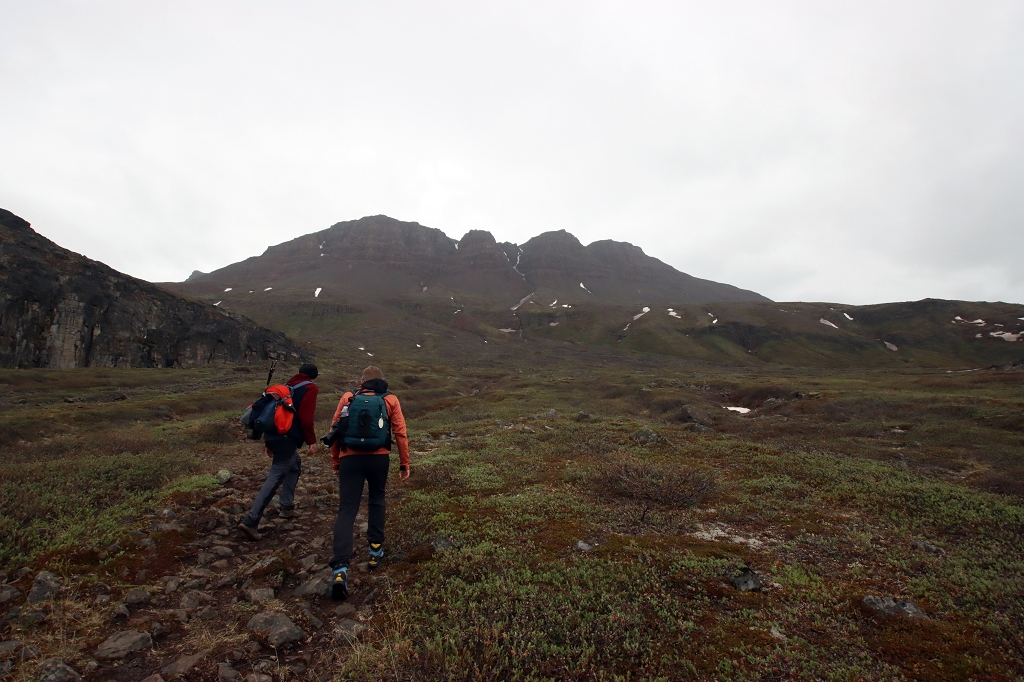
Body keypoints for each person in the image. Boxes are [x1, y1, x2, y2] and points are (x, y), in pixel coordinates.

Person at [328, 365, 410, 599]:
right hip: (379, 459)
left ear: (362, 380)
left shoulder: (348, 397)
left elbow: (335, 429)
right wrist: (404, 464)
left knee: (346, 509)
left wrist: (336, 461)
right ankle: (375, 551)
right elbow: (400, 433)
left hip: (349, 459)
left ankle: (340, 569)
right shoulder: (390, 399)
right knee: (377, 500)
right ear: (382, 381)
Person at [238, 363, 320, 541]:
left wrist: (269, 443)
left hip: (275, 435)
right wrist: (311, 441)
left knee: (294, 465)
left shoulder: (286, 387)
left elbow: (270, 414)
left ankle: (286, 506)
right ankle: (252, 519)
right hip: (287, 437)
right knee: (277, 472)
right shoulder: (309, 388)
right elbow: (306, 418)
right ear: (314, 376)